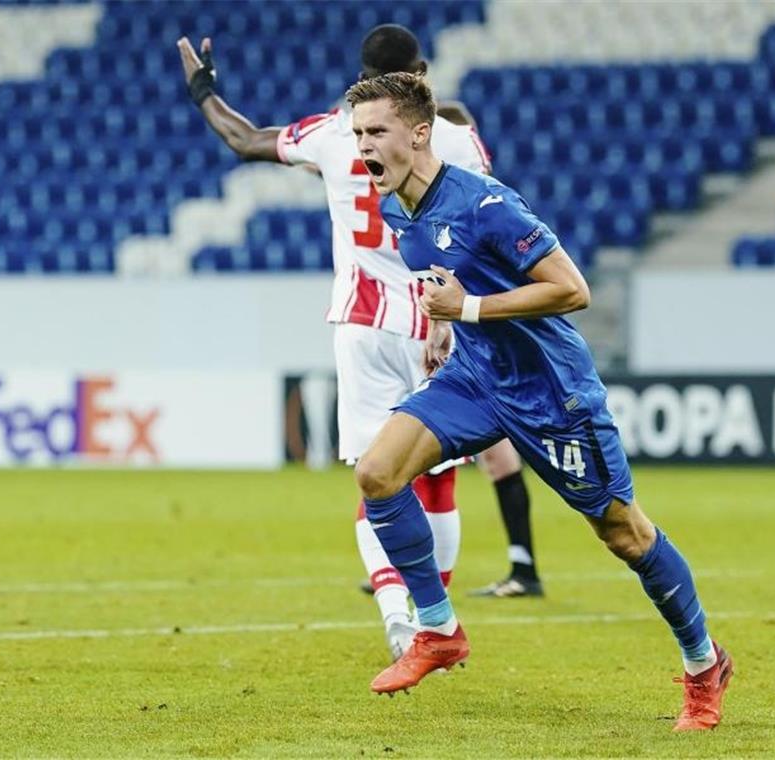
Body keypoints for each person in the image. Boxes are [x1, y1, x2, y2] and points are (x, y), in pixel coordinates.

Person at [344, 72, 733, 732]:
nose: (364, 147)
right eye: (356, 134)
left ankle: (703, 664)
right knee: (377, 473)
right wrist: (446, 325)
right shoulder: (399, 214)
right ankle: (438, 630)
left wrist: (466, 307)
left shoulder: (486, 205)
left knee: (624, 533)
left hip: (551, 393)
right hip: (476, 378)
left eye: (375, 131)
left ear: (418, 132)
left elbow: (572, 288)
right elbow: (448, 279)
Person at [176, 25, 543, 662]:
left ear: (363, 72)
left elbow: (243, 139)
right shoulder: (455, 137)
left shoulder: (331, 130)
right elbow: (481, 220)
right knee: (438, 485)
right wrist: (455, 316)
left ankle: (400, 617)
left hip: (365, 325)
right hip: (440, 319)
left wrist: (204, 90)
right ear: (421, 71)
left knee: (377, 480)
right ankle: (436, 617)